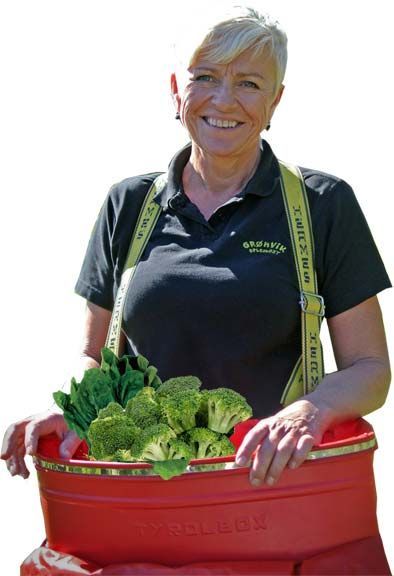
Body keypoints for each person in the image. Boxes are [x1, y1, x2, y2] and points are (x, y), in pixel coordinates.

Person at [1, 6, 391, 489]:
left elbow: (371, 368)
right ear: (175, 91)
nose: (224, 101)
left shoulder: (323, 204)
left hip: (275, 492)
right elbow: (94, 355)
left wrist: (312, 411)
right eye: (205, 77)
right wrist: (76, 410)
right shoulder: (128, 204)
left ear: (276, 101)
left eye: (249, 83)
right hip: (139, 487)